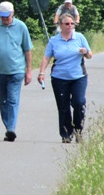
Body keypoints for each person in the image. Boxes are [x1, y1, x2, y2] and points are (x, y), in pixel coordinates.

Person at [0, 1, 33, 142]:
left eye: (7, 16)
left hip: (16, 70)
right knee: (3, 100)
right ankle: (8, 127)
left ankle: (11, 128)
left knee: (12, 99)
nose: (4, 19)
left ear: (13, 13)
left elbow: (27, 49)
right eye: (2, 16)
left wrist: (29, 71)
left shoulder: (21, 27)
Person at [38, 13, 92, 144]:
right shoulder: (54, 40)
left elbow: (90, 55)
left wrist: (85, 52)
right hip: (59, 77)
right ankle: (66, 134)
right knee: (63, 106)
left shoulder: (79, 37)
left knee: (79, 103)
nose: (70, 26)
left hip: (78, 76)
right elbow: (47, 57)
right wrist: (41, 72)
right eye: (67, 24)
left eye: (72, 24)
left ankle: (78, 130)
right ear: (60, 25)